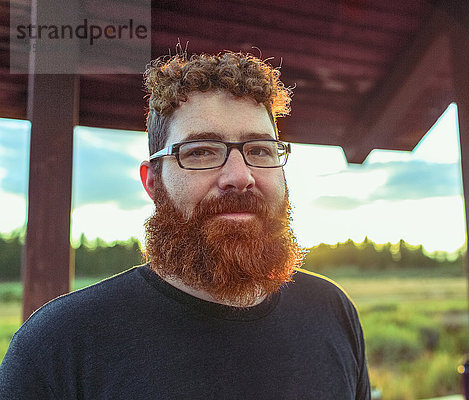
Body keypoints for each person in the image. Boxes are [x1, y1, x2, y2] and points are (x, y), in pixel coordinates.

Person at [0, 51, 370, 399]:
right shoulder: (58, 345)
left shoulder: (332, 311)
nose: (239, 177)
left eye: (260, 149)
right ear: (152, 181)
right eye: (201, 152)